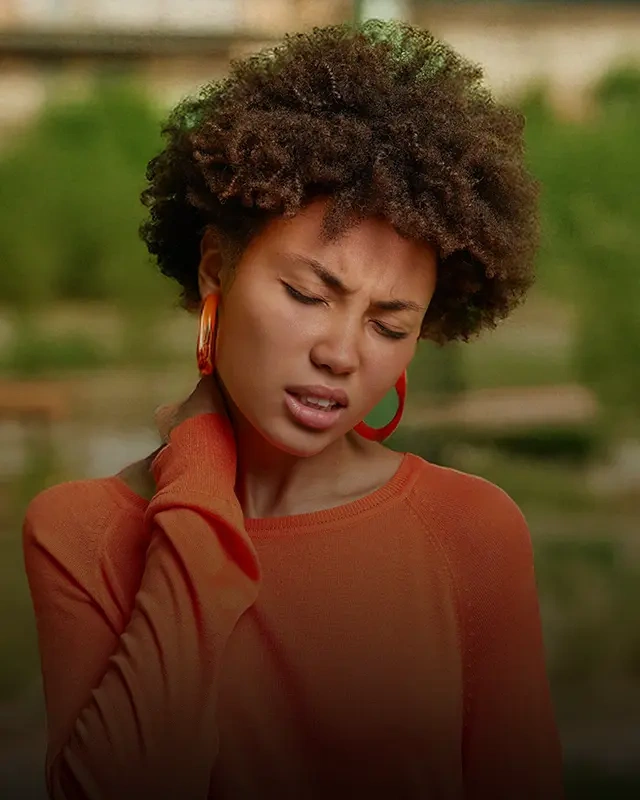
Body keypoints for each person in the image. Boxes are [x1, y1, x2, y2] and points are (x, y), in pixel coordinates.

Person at [22, 19, 563, 800]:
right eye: (310, 295)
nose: (343, 354)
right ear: (216, 266)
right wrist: (199, 464)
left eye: (389, 324)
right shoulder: (82, 535)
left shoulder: (470, 531)